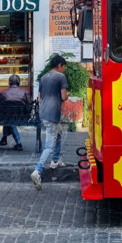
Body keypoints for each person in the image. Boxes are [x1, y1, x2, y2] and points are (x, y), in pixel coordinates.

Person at [31, 54, 69, 191]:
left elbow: (39, 97)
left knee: (57, 134)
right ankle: (37, 171)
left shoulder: (44, 77)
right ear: (59, 65)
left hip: (43, 112)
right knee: (49, 144)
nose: (64, 69)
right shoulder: (61, 77)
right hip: (53, 113)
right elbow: (64, 96)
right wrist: (67, 95)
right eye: (64, 66)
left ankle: (55, 161)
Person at [0, 74, 30, 151]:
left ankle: (18, 143)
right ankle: (4, 139)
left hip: (7, 117)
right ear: (19, 82)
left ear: (9, 82)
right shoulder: (25, 92)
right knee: (10, 119)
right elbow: (29, 105)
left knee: (9, 119)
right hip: (21, 117)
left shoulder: (3, 93)